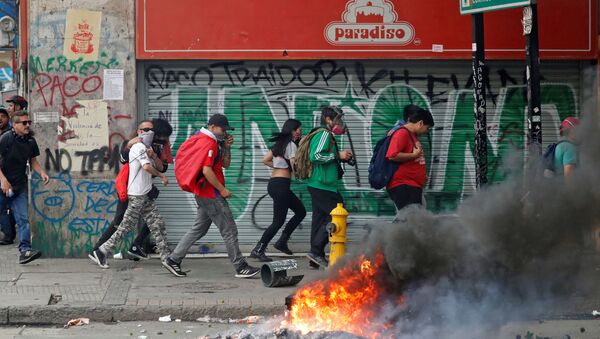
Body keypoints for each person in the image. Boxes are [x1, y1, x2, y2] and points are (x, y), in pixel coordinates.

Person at [163, 114, 260, 278]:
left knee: (198, 229)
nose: (224, 133)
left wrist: (226, 147)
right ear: (213, 126)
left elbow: (225, 165)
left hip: (202, 193)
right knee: (229, 230)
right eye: (223, 129)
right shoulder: (209, 143)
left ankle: (173, 259)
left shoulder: (207, 141)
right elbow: (206, 170)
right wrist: (222, 189)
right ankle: (240, 266)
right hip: (211, 194)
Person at [89, 119, 173, 260]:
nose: (149, 133)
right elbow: (123, 159)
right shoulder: (137, 144)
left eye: (164, 137)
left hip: (145, 186)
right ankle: (98, 250)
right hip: (130, 187)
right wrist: (129, 144)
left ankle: (137, 246)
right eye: (145, 130)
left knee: (154, 220)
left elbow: (163, 166)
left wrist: (156, 156)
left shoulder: (161, 145)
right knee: (121, 220)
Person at [250, 119, 306, 262]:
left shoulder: (280, 144)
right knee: (278, 221)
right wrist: (299, 174)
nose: (300, 131)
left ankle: (281, 242)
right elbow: (294, 164)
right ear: (292, 130)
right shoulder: (292, 145)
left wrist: (279, 166)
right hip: (281, 185)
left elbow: (265, 159)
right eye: (298, 129)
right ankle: (259, 249)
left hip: (275, 184)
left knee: (300, 211)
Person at [306, 106, 353, 268]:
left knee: (319, 220)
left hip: (320, 184)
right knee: (338, 216)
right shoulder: (324, 134)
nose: (340, 123)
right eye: (338, 119)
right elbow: (316, 156)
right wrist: (337, 155)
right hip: (323, 185)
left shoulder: (325, 134)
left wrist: (340, 158)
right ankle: (316, 251)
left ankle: (314, 257)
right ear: (328, 119)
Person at [0, 111, 49, 264]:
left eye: (29, 122)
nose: (28, 125)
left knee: (23, 219)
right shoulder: (5, 138)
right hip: (2, 184)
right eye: (24, 123)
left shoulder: (30, 141)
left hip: (19, 185)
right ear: (14, 125)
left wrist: (41, 172)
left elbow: (32, 160)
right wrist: (3, 181)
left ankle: (25, 251)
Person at [385, 108, 435, 211]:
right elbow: (392, 155)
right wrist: (414, 155)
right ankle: (382, 228)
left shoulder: (411, 134)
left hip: (411, 185)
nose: (427, 132)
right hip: (404, 185)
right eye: (427, 128)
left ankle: (387, 228)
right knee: (409, 219)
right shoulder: (402, 133)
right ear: (420, 123)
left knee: (414, 219)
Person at [0, 107, 15, 245]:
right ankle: (9, 233)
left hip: (8, 176)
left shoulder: (9, 135)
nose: (0, 119)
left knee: (5, 206)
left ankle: (8, 235)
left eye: (2, 116)